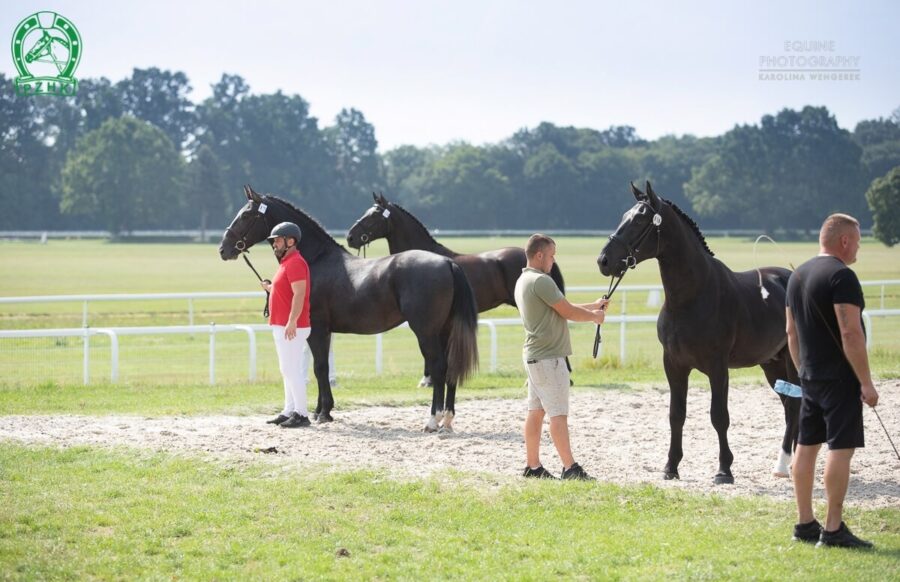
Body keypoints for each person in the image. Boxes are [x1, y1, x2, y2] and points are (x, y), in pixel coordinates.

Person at [785, 213, 879, 548]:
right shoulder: (843, 276)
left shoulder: (797, 276)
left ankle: (805, 523)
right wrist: (866, 383)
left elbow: (790, 333)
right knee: (840, 449)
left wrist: (803, 372)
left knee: (806, 447)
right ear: (844, 241)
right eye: (857, 241)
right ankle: (833, 528)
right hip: (839, 379)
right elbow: (851, 333)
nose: (858, 248)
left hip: (809, 376)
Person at [515, 234, 608, 480]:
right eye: (552, 255)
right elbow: (567, 312)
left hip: (534, 357)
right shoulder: (542, 281)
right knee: (558, 415)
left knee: (535, 412)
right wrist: (594, 317)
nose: (553, 261)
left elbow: (561, 307)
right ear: (539, 255)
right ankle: (570, 468)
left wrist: (593, 306)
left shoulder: (524, 280)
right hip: (549, 359)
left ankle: (533, 467)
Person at [261, 222, 313, 429]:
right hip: (283, 325)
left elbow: (300, 294)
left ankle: (301, 413)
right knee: (287, 370)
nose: (275, 244)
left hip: (292, 326)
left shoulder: (296, 262)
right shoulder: (286, 262)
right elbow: (286, 290)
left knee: (291, 370)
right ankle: (289, 409)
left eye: (278, 240)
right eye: (274, 241)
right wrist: (270, 288)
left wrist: (292, 321)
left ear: (290, 241)